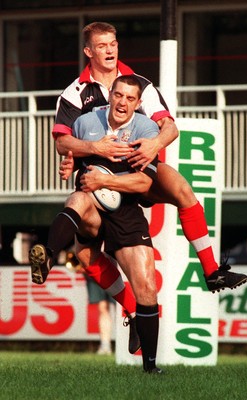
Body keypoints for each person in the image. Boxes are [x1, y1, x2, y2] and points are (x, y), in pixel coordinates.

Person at [52, 21, 247, 293]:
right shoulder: (75, 93)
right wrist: (97, 148)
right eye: (101, 46)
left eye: (113, 44)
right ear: (89, 52)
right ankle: (131, 312)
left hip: (137, 170)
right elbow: (62, 142)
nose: (109, 51)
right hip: (97, 180)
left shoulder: (140, 85)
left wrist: (154, 144)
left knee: (182, 189)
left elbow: (170, 127)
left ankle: (212, 271)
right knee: (85, 255)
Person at [30, 75, 162, 373]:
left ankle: (151, 368)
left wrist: (106, 179)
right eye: (119, 96)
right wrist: (68, 164)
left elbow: (143, 182)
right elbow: (72, 158)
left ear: (138, 104)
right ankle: (48, 256)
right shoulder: (86, 122)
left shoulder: (146, 129)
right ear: (110, 95)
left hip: (125, 209)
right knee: (77, 199)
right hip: (91, 202)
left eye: (130, 99)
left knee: (147, 289)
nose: (123, 103)